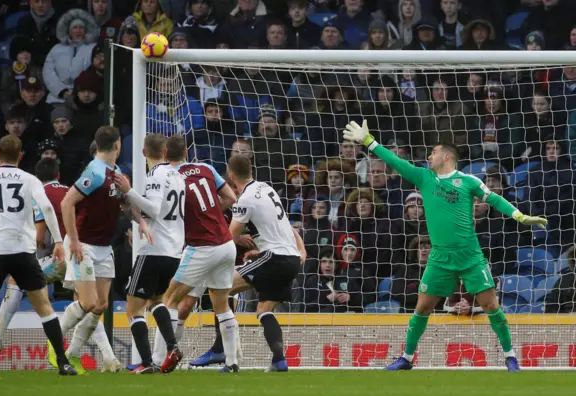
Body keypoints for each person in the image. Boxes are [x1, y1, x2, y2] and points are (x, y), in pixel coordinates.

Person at [342, 119, 549, 372]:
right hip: (440, 257)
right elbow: (396, 162)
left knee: (491, 305)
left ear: (447, 156)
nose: (429, 155)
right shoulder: (424, 178)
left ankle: (510, 356)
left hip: (470, 255)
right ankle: (406, 358)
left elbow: (495, 199)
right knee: (422, 307)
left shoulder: (468, 181)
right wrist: (369, 141)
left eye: (434, 151)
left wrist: (520, 216)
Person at [0, 158, 122, 372]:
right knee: (88, 303)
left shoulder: (39, 193)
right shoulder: (70, 188)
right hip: (85, 249)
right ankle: (109, 358)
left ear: (38, 178)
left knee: (17, 279)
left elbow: (39, 237)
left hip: (67, 253)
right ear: (58, 175)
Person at [0, 135, 76, 376]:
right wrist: (57, 241)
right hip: (24, 250)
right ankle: (63, 363)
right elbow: (46, 208)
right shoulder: (30, 179)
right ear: (20, 155)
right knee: (44, 307)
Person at [47, 126, 147, 373]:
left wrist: (139, 221)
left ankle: (69, 354)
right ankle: (55, 339)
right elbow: (67, 202)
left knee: (101, 304)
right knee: (88, 302)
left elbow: (121, 202)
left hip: (104, 246)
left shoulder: (116, 172)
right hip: (85, 245)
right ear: (118, 145)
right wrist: (74, 241)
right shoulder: (95, 171)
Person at [161, 135, 238, 373]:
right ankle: (232, 362)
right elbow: (231, 198)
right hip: (226, 244)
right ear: (186, 152)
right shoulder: (205, 167)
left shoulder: (169, 177)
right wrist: (213, 211)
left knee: (168, 301)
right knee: (221, 305)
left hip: (202, 247)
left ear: (165, 154)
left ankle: (157, 359)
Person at [112, 134, 186, 374]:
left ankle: (146, 363)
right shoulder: (178, 176)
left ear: (144, 153)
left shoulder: (156, 175)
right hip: (174, 250)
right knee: (156, 300)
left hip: (155, 249)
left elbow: (154, 208)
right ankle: (172, 347)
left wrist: (129, 191)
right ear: (166, 152)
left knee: (133, 308)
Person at [226, 155, 306, 372]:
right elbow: (287, 226)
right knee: (264, 309)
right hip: (291, 258)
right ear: (251, 171)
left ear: (231, 176)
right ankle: (279, 360)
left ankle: (226, 355)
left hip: (275, 258)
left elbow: (229, 238)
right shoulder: (267, 188)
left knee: (222, 289)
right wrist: (301, 248)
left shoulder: (245, 200)